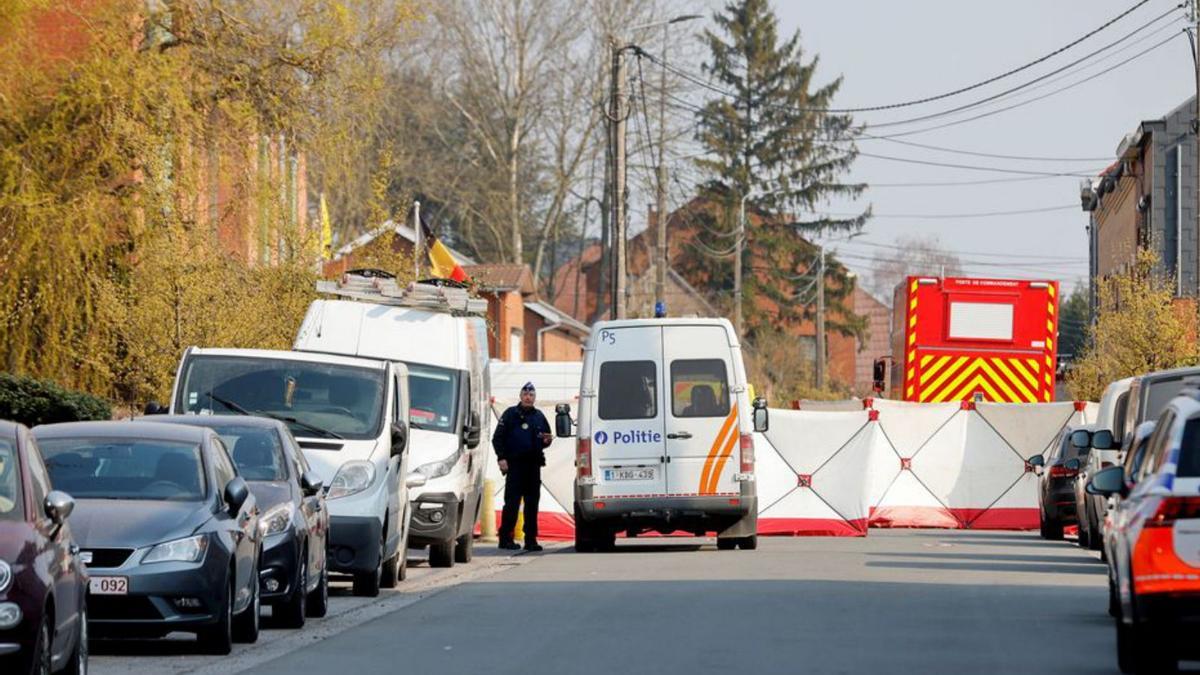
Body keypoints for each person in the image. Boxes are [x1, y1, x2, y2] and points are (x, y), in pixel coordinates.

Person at [493, 382, 553, 552]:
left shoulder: (539, 416)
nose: (528, 397)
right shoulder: (510, 414)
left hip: (533, 466)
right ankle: (505, 538)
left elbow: (545, 439)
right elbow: (497, 439)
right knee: (511, 503)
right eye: (525, 394)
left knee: (532, 504)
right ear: (520, 396)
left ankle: (531, 540)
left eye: (531, 395)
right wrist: (501, 458)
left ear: (534, 398)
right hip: (515, 465)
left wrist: (547, 441)